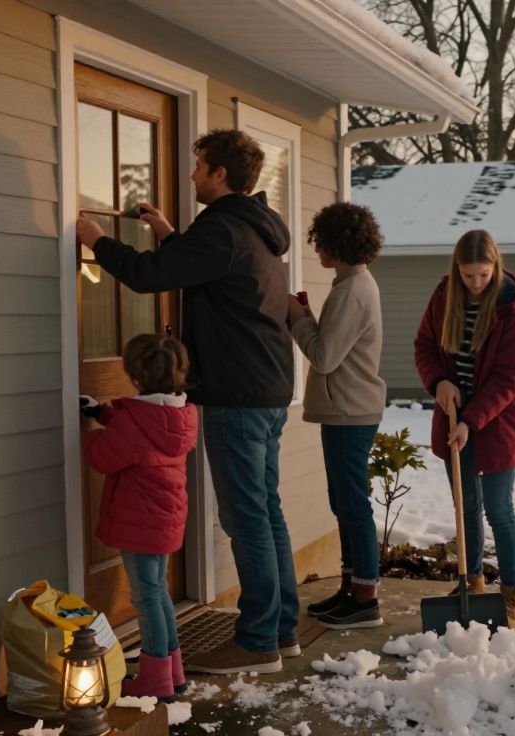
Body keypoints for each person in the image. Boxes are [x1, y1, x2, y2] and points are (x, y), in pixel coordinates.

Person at [76, 129, 300, 675]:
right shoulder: (250, 229)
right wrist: (169, 232)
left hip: (236, 396)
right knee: (265, 513)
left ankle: (255, 643)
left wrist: (96, 241)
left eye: (199, 166)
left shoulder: (223, 229)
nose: (194, 175)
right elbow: (200, 267)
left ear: (220, 173)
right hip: (266, 390)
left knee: (247, 518)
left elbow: (152, 276)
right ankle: (282, 629)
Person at [413, 230, 515, 628]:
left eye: (483, 275)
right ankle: (474, 584)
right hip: (453, 414)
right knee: (466, 507)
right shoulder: (445, 296)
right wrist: (438, 383)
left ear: (496, 267)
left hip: (497, 422)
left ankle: (513, 594)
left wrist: (471, 420)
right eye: (469, 276)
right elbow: (424, 346)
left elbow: (509, 377)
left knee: (500, 510)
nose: (476, 283)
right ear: (456, 270)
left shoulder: (511, 307)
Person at [286, 202, 387, 630]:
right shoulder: (351, 284)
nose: (318, 251)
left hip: (350, 409)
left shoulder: (351, 290)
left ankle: (365, 597)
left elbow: (325, 357)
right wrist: (309, 316)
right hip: (347, 408)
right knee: (343, 502)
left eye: (321, 243)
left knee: (351, 504)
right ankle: (350, 589)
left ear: (337, 243)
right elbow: (333, 344)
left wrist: (295, 320)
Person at [81, 335, 198, 701]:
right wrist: (103, 414)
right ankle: (172, 671)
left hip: (140, 522)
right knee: (158, 590)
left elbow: (104, 455)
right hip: (165, 518)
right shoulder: (178, 413)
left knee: (146, 597)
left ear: (135, 375)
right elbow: (140, 434)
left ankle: (155, 679)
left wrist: (88, 431)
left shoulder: (135, 422)